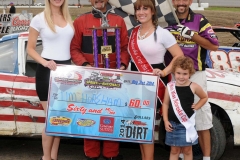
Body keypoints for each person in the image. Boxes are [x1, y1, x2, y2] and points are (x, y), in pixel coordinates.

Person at [70, 0, 130, 159]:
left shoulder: (118, 20)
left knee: (112, 115)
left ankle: (111, 154)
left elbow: (124, 48)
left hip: (113, 78)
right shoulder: (80, 21)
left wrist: (123, 65)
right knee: (91, 115)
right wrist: (85, 65)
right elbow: (74, 48)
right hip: (90, 79)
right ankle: (91, 154)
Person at [128, 0, 183, 159]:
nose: (141, 12)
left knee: (145, 123)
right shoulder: (134, 32)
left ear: (153, 11)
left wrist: (164, 71)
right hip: (135, 81)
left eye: (145, 8)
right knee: (140, 124)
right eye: (138, 9)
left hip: (153, 82)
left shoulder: (162, 33)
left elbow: (179, 56)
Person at [165, 0, 219, 159]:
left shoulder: (199, 20)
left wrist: (191, 35)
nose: (181, 2)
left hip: (196, 74)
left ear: (189, 1)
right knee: (177, 114)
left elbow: (214, 46)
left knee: (201, 118)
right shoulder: (165, 20)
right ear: (172, 1)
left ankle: (207, 157)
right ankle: (181, 154)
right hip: (174, 74)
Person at [27, 0, 74, 159]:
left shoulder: (67, 17)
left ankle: (54, 157)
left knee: (59, 120)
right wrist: (45, 62)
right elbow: (30, 49)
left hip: (65, 73)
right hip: (47, 72)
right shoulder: (39, 18)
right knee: (51, 119)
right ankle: (46, 158)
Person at [162, 56, 208, 160]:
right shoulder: (170, 86)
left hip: (187, 125)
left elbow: (204, 97)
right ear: (174, 72)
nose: (181, 77)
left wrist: (197, 106)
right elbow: (165, 104)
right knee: (174, 151)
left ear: (190, 73)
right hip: (172, 124)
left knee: (187, 150)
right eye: (178, 73)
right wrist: (165, 120)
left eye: (185, 74)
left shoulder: (194, 86)